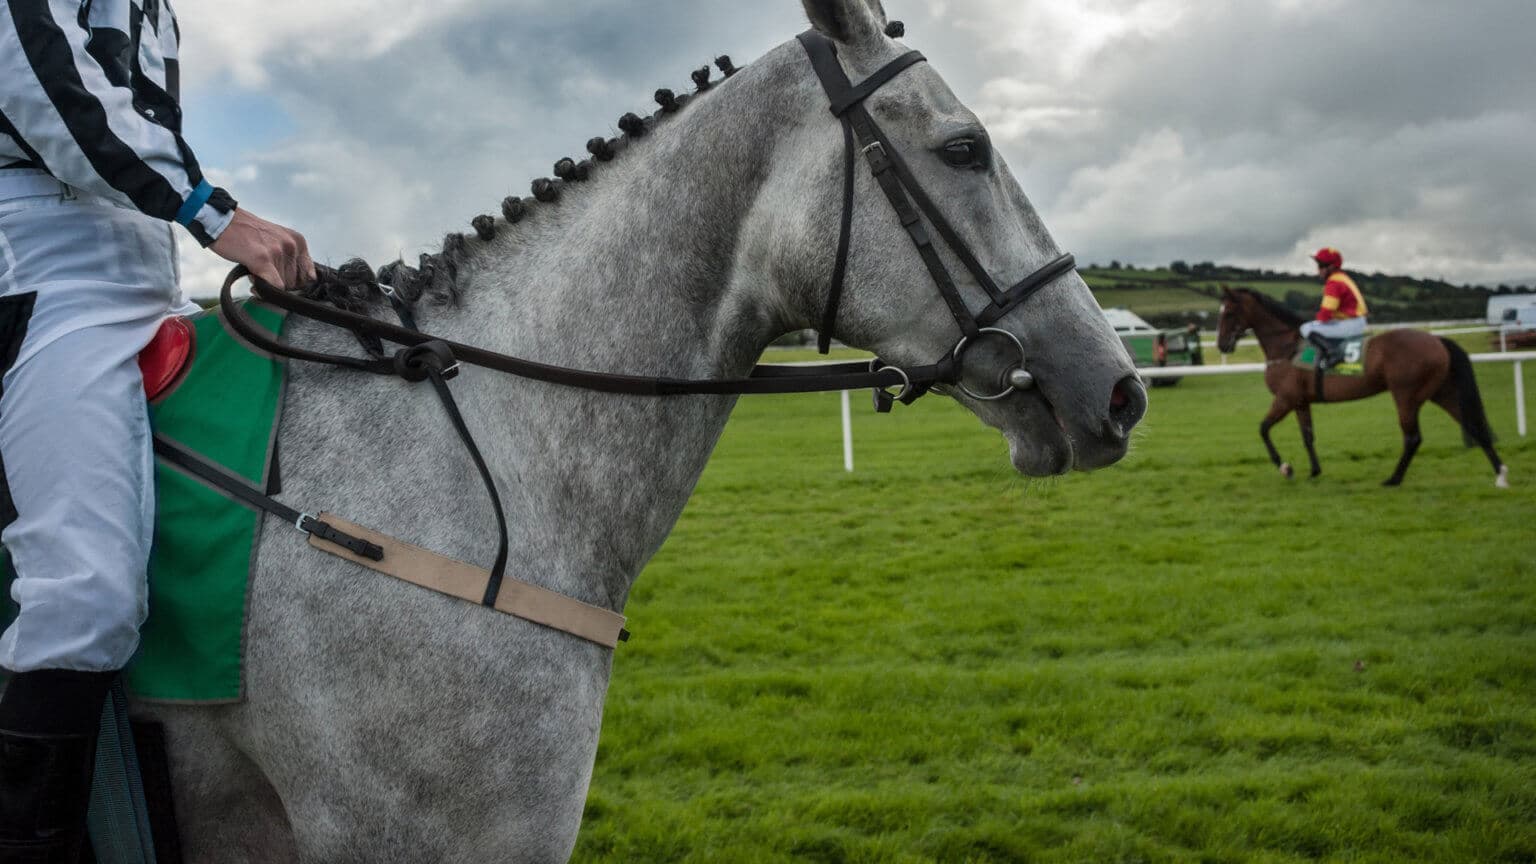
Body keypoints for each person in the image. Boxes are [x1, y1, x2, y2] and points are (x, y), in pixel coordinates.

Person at [0, 2, 314, 856]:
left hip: (144, 264)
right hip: (36, 262)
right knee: (87, 590)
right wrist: (216, 213)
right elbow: (45, 82)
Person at [1299, 247, 1368, 367]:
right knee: (1311, 326)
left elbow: (1325, 315)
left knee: (1307, 328)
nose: (1318, 270)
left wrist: (1316, 320)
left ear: (1331, 267)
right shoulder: (1343, 278)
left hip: (1350, 324)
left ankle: (1333, 354)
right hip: (1353, 321)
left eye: (1320, 266)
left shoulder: (1334, 282)